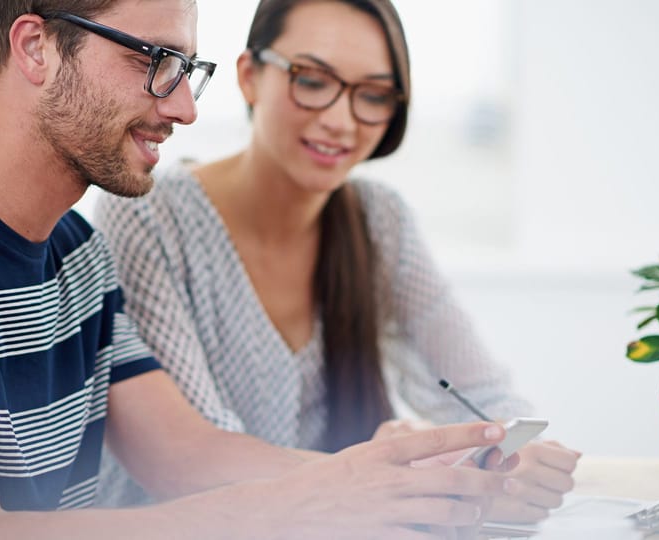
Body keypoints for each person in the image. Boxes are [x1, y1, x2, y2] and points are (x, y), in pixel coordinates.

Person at [0, 1, 519, 539]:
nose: (185, 108)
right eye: (154, 60)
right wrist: (302, 506)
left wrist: (383, 477)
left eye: (186, 68)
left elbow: (185, 454)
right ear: (36, 47)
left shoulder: (77, 251)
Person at [93, 0, 581, 523]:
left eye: (372, 94)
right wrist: (396, 471)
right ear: (250, 76)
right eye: (312, 79)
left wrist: (515, 451)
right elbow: (198, 454)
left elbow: (482, 394)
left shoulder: (380, 220)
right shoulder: (150, 216)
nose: (341, 120)